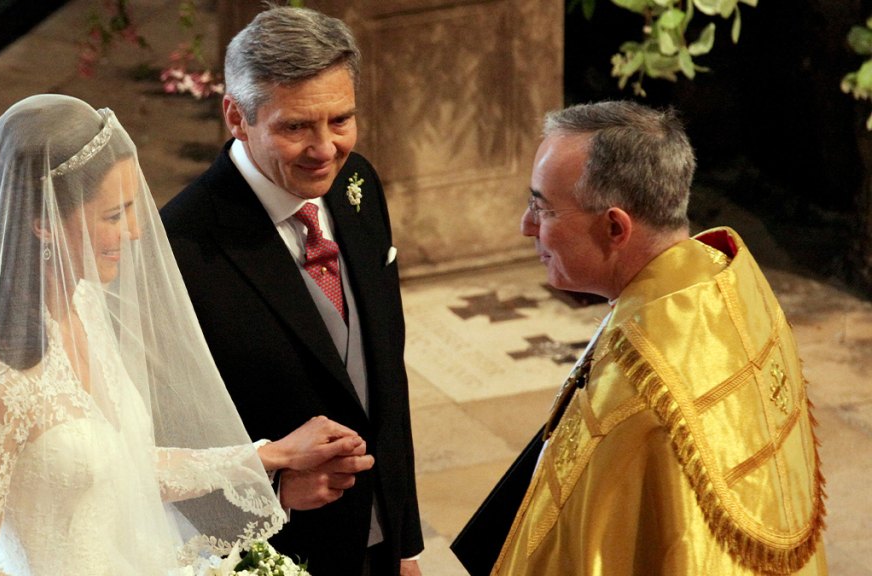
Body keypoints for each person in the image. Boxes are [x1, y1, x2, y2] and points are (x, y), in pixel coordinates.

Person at [0, 93, 366, 575]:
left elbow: (126, 464)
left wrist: (268, 455)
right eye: (113, 215)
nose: (134, 232)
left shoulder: (85, 307)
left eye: (133, 209)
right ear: (43, 223)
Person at [486, 101, 827, 575]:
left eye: (542, 208)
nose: (527, 227)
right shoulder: (725, 286)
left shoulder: (637, 398)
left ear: (614, 227)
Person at [160, 6, 423, 576]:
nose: (325, 148)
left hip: (377, 543)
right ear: (236, 115)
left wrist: (403, 543)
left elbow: (384, 380)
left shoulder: (359, 185)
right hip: (278, 552)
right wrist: (273, 490)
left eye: (341, 119)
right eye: (296, 126)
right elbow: (159, 442)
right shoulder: (179, 248)